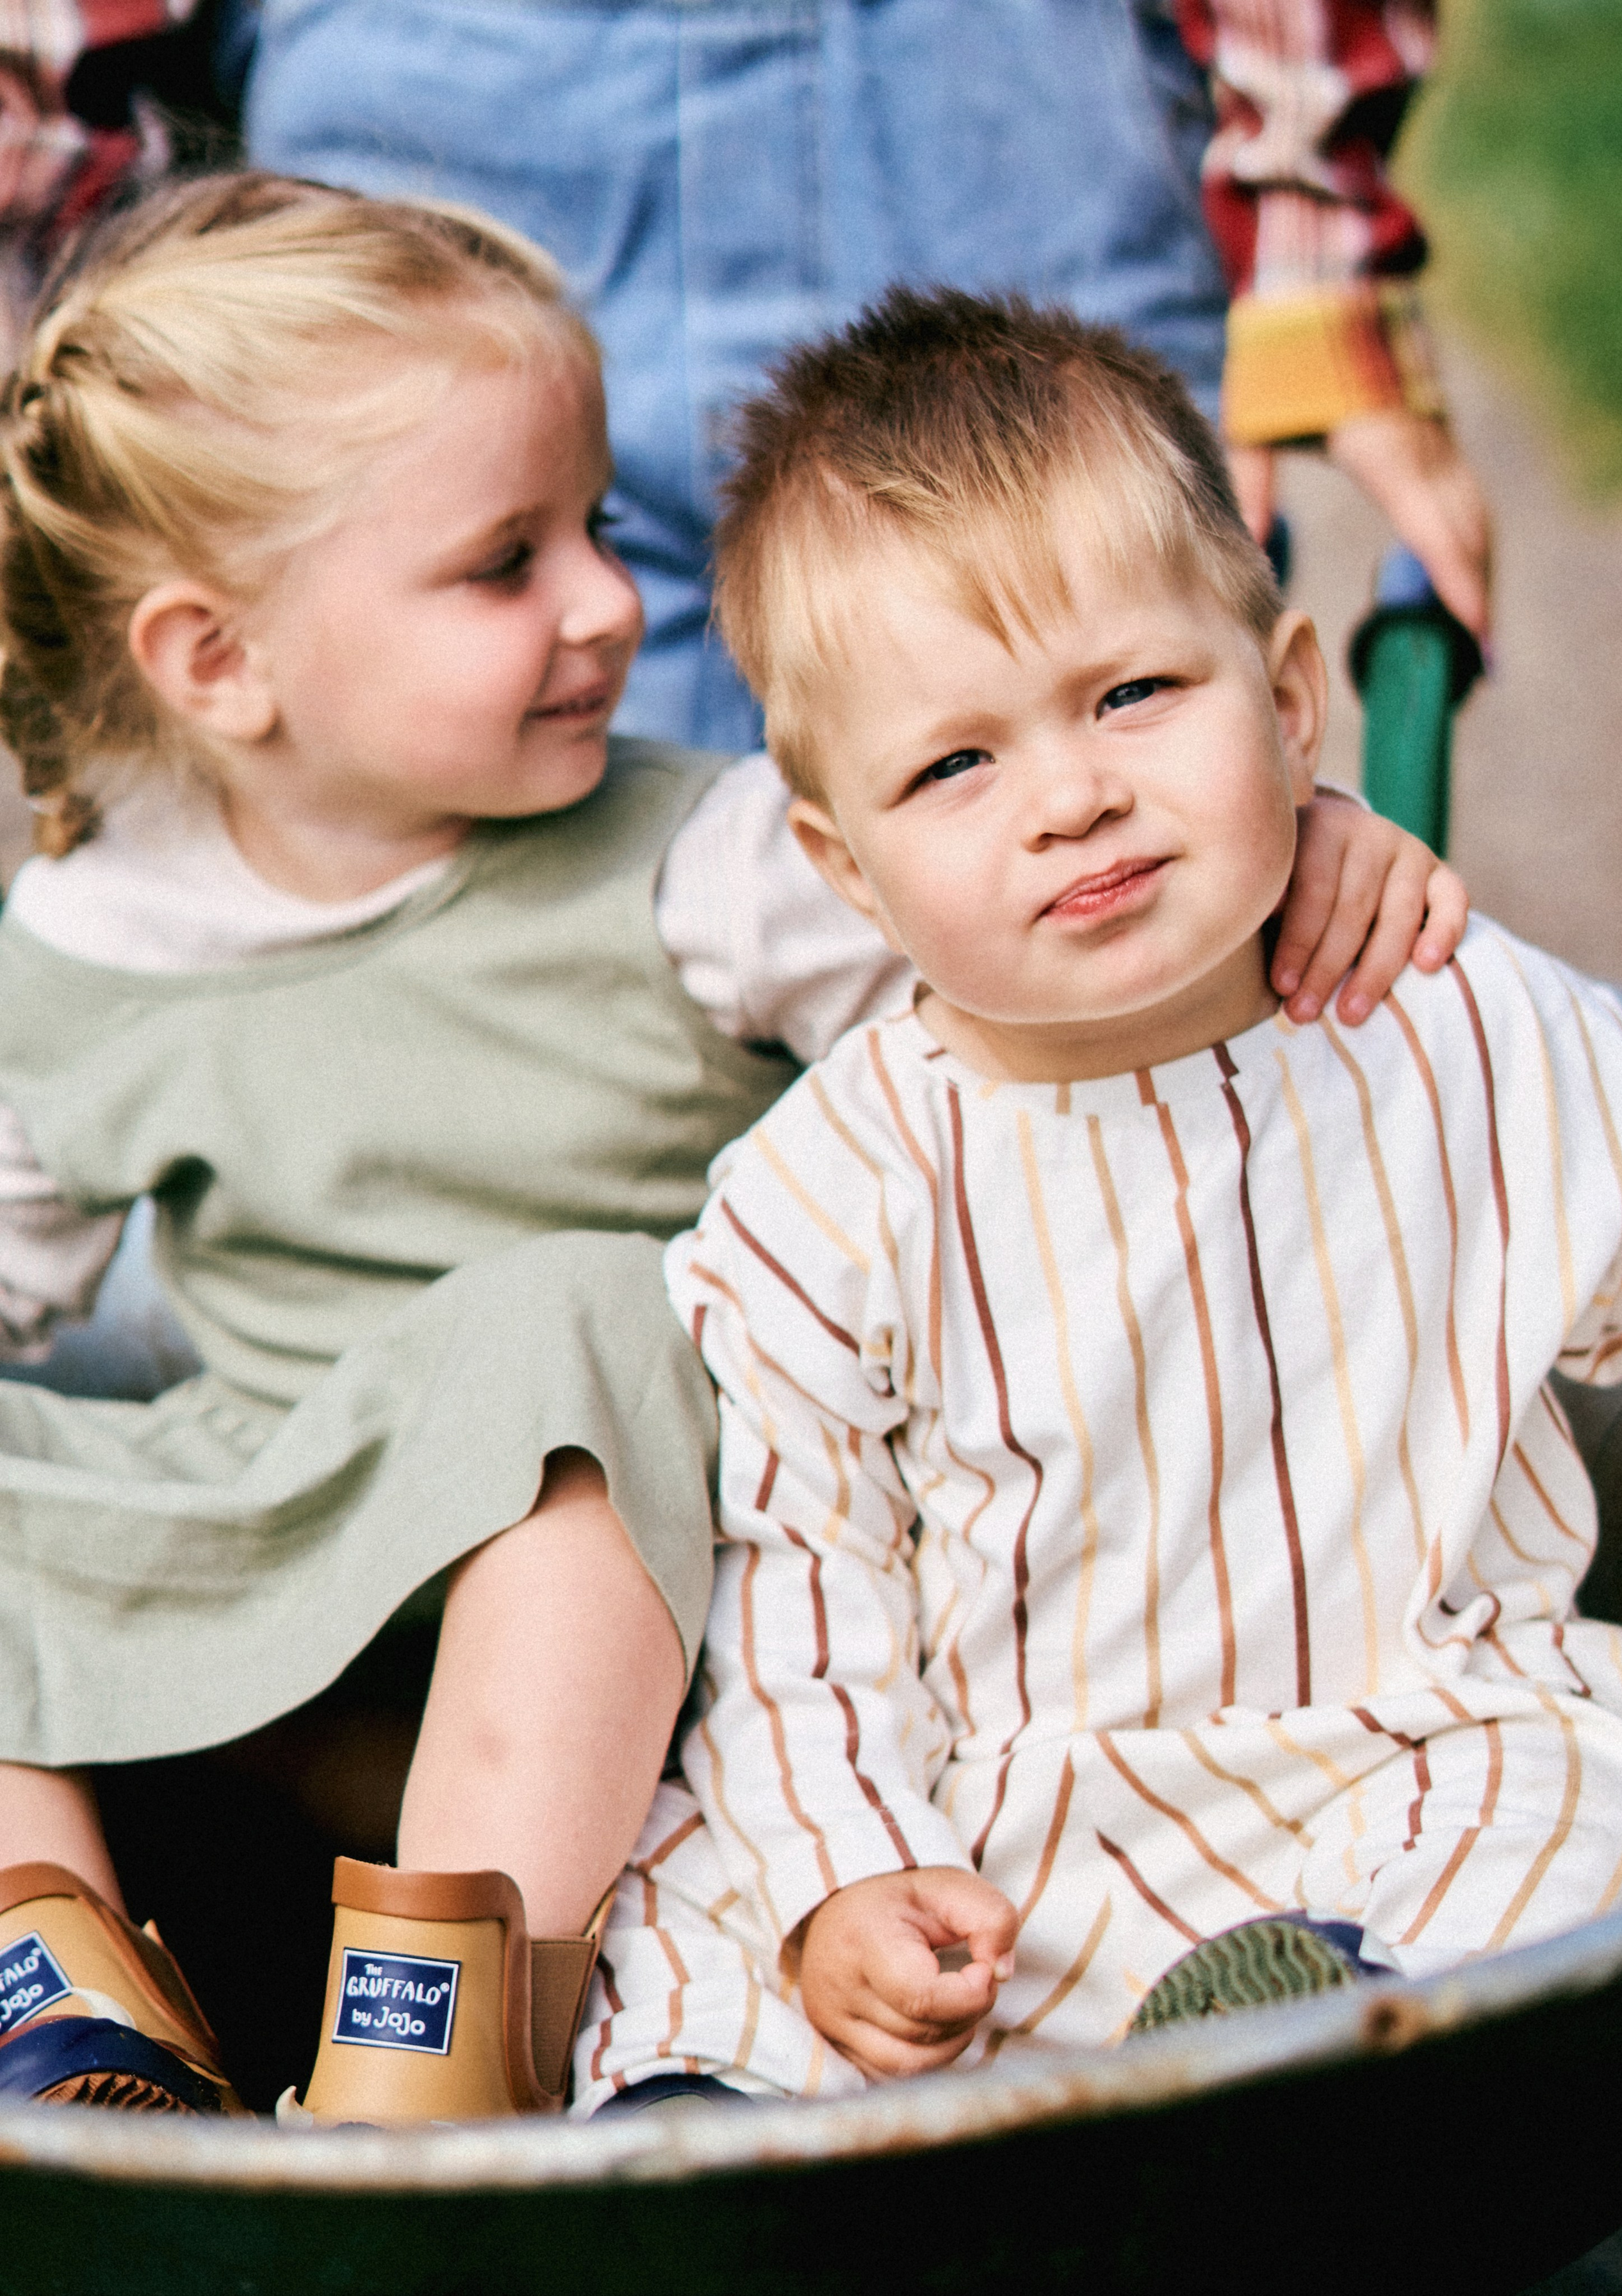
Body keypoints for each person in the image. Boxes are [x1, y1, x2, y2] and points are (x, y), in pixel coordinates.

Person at [0, 176, 1451, 2122]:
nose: (612, 602)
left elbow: (1070, 932)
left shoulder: (711, 870)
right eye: (505, 561)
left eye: (595, 527)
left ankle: (427, 2078)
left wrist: (1300, 835)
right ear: (218, 662)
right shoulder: (88, 948)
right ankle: (66, 2003)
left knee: (572, 1315)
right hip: (305, 1587)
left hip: (661, 1574)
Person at [575, 289, 1622, 2113]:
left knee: (1582, 1796)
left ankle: (1331, 2054)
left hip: (1403, 1749)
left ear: (1292, 703)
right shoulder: (822, 1202)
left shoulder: (1462, 1024)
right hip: (992, 1819)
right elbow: (798, 1596)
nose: (1072, 796)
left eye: (1135, 695)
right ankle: (716, 2138)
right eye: (955, 764)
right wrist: (845, 1873)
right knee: (704, 1910)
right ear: (840, 861)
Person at [242, 0, 1491, 754]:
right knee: (507, 957)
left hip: (993, 87)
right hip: (440, 95)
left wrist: (1315, 251)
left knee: (1122, 895)